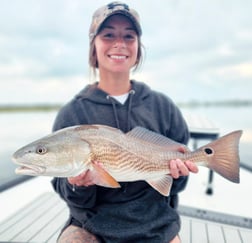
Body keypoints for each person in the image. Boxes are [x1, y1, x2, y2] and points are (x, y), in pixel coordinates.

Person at [52, 2, 198, 243]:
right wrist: (78, 184)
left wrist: (179, 174)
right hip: (91, 227)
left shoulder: (163, 106)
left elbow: (175, 186)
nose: (119, 43)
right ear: (94, 45)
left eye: (128, 36)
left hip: (155, 225)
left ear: (138, 48)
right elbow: (71, 196)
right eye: (108, 35)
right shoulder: (72, 114)